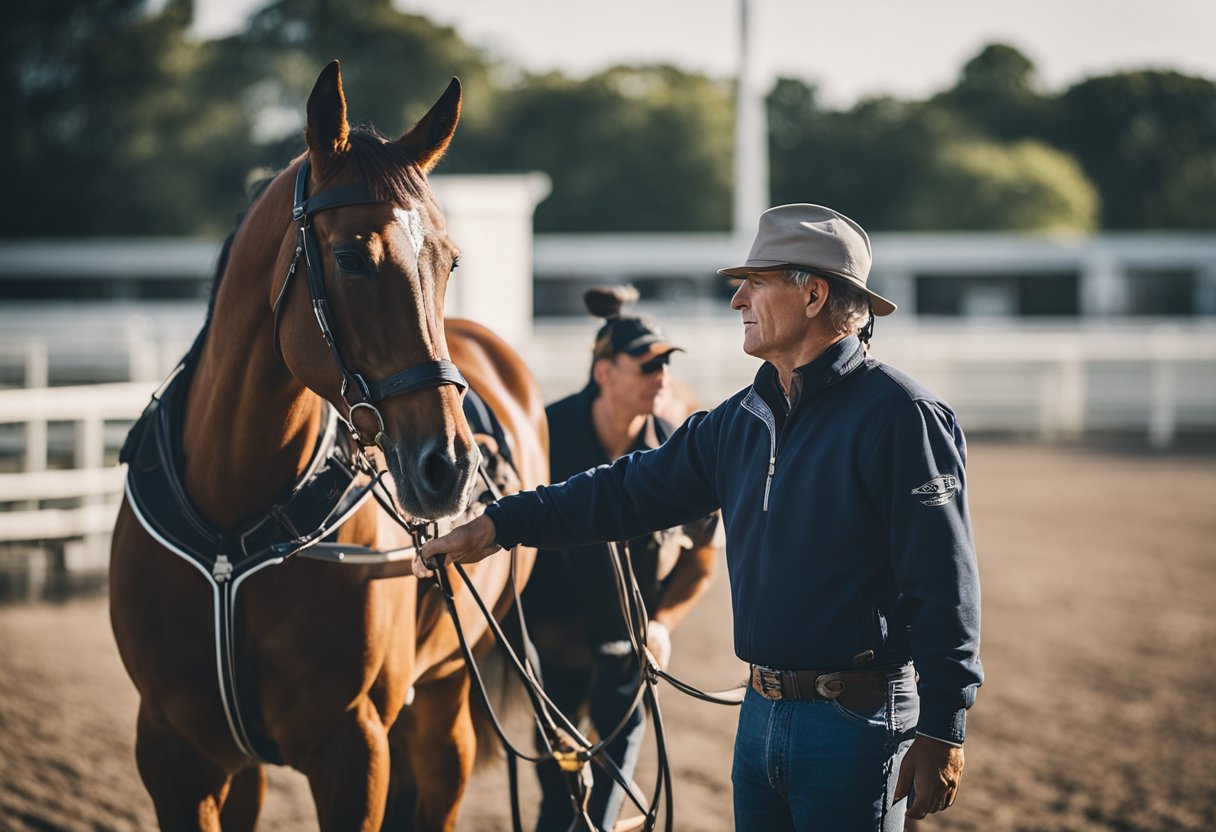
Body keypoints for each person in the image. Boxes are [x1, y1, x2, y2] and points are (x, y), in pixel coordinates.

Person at [416, 204, 983, 830]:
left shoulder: (902, 417)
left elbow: (945, 584)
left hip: (857, 724)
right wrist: (499, 525)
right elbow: (623, 493)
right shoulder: (739, 420)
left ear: (814, 295)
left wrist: (944, 728)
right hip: (759, 714)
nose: (738, 298)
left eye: (755, 282)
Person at [523, 285, 719, 832]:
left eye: (666, 364)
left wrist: (663, 624)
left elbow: (703, 560)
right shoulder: (543, 437)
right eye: (648, 365)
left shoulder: (677, 452)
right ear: (604, 373)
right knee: (557, 789)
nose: (663, 377)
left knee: (609, 787)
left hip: (629, 644)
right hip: (552, 639)